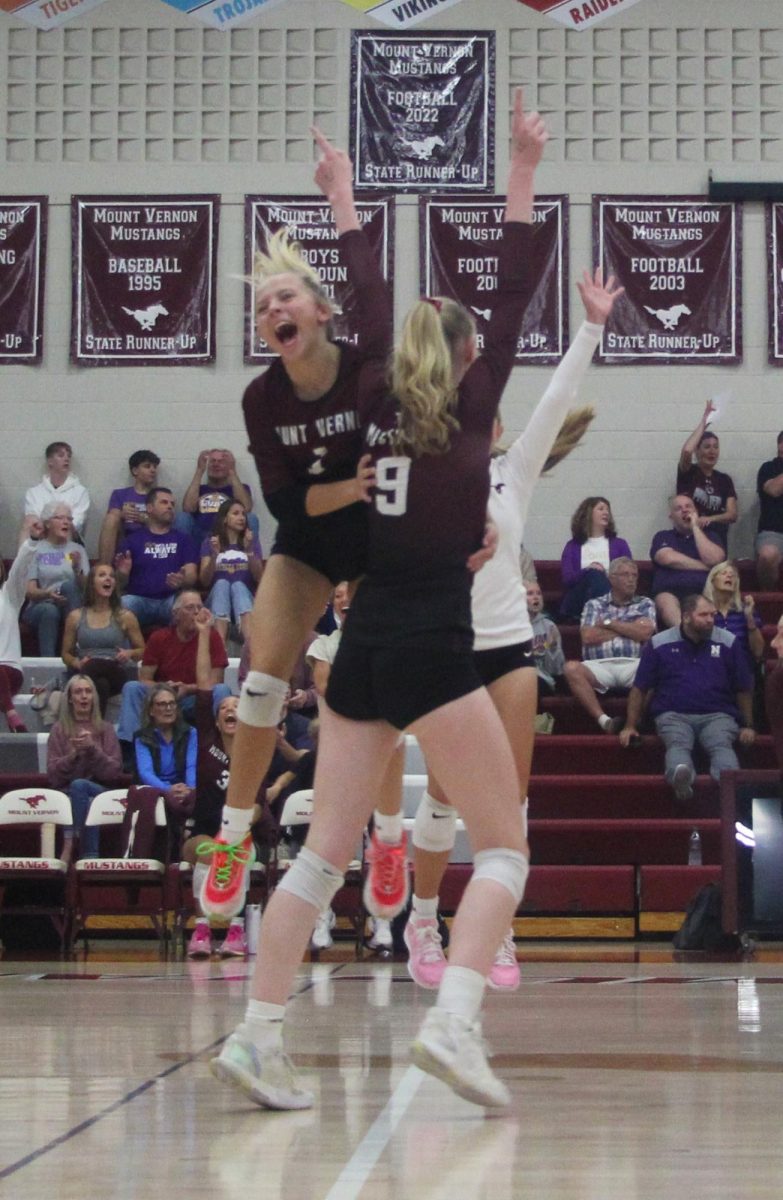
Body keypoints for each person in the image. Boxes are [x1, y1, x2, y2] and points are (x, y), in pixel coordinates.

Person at [210, 96, 548, 1111]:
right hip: (433, 645)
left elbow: (368, 284)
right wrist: (523, 168)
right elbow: (520, 282)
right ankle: (453, 1026)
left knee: (320, 858)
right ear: (470, 358)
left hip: (358, 647)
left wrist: (344, 198)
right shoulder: (476, 412)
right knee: (504, 846)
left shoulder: (374, 409)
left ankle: (259, 1035)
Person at [197, 99, 396, 919]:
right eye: (261, 306)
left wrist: (340, 196)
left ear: (318, 310)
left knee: (374, 690)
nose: (272, 309)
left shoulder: (365, 365)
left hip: (382, 546)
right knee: (259, 679)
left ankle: (386, 841)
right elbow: (282, 501)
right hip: (310, 540)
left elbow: (374, 287)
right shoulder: (260, 397)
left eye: (285, 296)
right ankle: (235, 836)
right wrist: (352, 483)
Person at [403, 272, 623, 994]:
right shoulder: (424, 468)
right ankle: (423, 918)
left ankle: (496, 928)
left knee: (512, 802)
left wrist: (591, 326)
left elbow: (555, 398)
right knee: (440, 799)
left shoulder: (514, 473)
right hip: (444, 651)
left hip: (508, 649)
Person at [183, 610, 268, 959]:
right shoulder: (206, 741)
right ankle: (201, 932)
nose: (231, 710)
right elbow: (205, 682)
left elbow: (260, 805)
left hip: (245, 839)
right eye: (225, 707)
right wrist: (204, 633)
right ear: (217, 719)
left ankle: (235, 933)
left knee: (234, 855)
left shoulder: (255, 751)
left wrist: (236, 830)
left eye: (237, 706)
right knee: (210, 853)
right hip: (203, 831)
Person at [619, 594, 755, 801]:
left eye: (713, 615)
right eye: (703, 615)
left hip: (718, 714)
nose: (710, 619)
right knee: (678, 744)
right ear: (686, 617)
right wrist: (630, 725)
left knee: (721, 744)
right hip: (673, 714)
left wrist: (748, 724)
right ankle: (681, 780)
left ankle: (729, 790)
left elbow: (744, 688)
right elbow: (640, 688)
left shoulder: (728, 642)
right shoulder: (659, 643)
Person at [116, 588, 229, 747]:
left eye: (199, 607)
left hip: (195, 697)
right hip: (162, 697)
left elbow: (217, 681)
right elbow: (145, 678)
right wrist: (165, 689)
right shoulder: (159, 637)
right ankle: (128, 750)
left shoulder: (212, 636)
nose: (196, 612)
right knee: (132, 687)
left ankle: (218, 748)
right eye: (190, 608)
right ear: (175, 614)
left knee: (222, 690)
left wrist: (188, 689)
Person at [562, 558, 656, 735]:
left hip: (634, 663)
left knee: (659, 668)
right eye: (625, 575)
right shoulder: (594, 604)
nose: (631, 579)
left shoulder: (645, 603)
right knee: (571, 668)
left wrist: (608, 623)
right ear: (611, 579)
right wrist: (630, 628)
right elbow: (588, 636)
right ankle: (604, 721)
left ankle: (634, 723)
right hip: (599, 665)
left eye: (634, 575)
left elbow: (644, 634)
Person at [46, 674, 123, 862]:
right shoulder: (59, 729)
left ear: (94, 697)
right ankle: (90, 858)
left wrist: (92, 750)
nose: (84, 696)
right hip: (67, 793)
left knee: (81, 786)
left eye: (88, 691)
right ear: (70, 699)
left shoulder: (106, 729)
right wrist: (73, 756)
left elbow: (114, 772)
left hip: (100, 790)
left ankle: (70, 841)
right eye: (78, 692)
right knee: (82, 797)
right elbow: (53, 776)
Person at [61, 563, 145, 716]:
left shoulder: (125, 616)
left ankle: (84, 719)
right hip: (86, 671)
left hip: (115, 668)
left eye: (112, 576)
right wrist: (77, 663)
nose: (108, 579)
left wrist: (129, 654)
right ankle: (97, 726)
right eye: (102, 575)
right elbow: (65, 654)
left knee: (93, 667)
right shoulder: (76, 617)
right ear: (91, 583)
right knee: (101, 685)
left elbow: (142, 651)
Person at [115, 487, 198, 628]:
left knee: (189, 605)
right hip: (140, 600)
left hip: (171, 600)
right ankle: (127, 650)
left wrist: (182, 581)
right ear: (149, 508)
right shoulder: (132, 540)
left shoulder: (184, 540)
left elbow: (191, 575)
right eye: (164, 502)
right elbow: (119, 584)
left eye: (172, 504)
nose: (170, 507)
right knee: (122, 605)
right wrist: (122, 573)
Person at [649, 493, 724, 629]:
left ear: (696, 512)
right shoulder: (663, 536)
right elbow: (667, 558)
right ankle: (685, 635)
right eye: (678, 508)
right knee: (665, 601)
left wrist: (695, 527)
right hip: (670, 592)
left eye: (689, 506)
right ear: (671, 516)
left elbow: (715, 558)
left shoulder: (711, 536)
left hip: (703, 592)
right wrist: (705, 566)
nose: (685, 510)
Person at [23, 501, 88, 656]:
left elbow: (88, 589)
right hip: (41, 605)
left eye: (69, 519)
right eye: (60, 518)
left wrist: (77, 568)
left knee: (69, 587)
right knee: (50, 610)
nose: (66, 522)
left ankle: (75, 653)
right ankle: (49, 664)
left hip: (70, 603)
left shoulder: (78, 550)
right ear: (47, 523)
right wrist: (48, 594)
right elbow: (29, 591)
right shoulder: (36, 550)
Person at [199, 498, 264, 645]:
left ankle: (250, 646)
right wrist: (215, 555)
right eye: (235, 513)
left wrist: (248, 551)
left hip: (245, 602)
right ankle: (220, 646)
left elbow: (259, 577)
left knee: (237, 585)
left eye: (243, 514)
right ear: (224, 519)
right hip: (216, 603)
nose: (241, 517)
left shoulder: (251, 542)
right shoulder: (210, 542)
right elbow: (204, 581)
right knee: (222, 583)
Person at [558, 497, 632, 621]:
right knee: (594, 574)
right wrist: (588, 570)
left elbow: (629, 574)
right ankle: (608, 615)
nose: (606, 513)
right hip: (578, 601)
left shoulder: (620, 544)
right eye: (601, 509)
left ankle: (602, 616)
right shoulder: (572, 546)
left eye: (608, 510)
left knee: (600, 577)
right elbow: (567, 579)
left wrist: (606, 575)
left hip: (613, 594)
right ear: (588, 513)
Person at [677, 401, 737, 551]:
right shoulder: (689, 472)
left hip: (717, 539)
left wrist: (709, 519)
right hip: (690, 536)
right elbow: (686, 452)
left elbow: (732, 514)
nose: (712, 451)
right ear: (698, 451)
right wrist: (704, 422)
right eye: (707, 447)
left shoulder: (724, 480)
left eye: (716, 447)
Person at [0, 530, 42, 731]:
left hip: (9, 669)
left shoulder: (9, 595)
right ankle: (11, 713)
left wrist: (32, 542)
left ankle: (11, 713)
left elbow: (19, 569)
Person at [98, 449, 161, 564]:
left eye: (154, 467)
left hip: (149, 540)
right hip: (125, 537)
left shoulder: (159, 495)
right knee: (112, 517)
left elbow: (166, 523)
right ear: (135, 470)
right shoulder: (120, 494)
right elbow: (111, 522)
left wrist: (144, 519)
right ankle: (104, 568)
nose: (153, 470)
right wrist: (122, 514)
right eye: (147, 466)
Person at [180, 448, 257, 540]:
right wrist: (200, 470)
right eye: (212, 461)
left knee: (251, 518)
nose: (216, 464)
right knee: (182, 518)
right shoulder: (199, 489)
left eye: (221, 461)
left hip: (230, 535)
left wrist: (232, 471)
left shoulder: (239, 488)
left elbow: (246, 508)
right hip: (201, 534)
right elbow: (188, 509)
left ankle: (250, 553)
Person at [22, 441, 90, 541]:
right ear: (50, 461)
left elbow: (77, 522)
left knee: (65, 525)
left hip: (68, 539)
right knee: (28, 522)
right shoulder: (34, 493)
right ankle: (24, 556)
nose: (66, 459)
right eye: (61, 455)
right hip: (40, 539)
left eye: (68, 456)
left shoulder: (80, 492)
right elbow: (34, 522)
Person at [702, 561, 764, 669]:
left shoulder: (745, 610)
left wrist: (749, 618)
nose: (729, 576)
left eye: (733, 575)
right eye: (723, 573)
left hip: (741, 669)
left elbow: (758, 652)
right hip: (709, 667)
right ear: (712, 580)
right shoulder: (703, 611)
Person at [526, 580, 564, 697]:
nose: (536, 597)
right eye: (530, 593)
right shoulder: (511, 627)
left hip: (542, 679)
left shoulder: (549, 626)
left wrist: (552, 648)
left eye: (539, 593)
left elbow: (556, 670)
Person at [755, 431, 783, 591]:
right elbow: (774, 490)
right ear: (780, 445)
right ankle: (768, 599)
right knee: (767, 555)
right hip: (773, 532)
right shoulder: (768, 468)